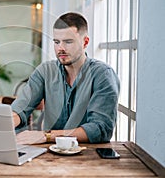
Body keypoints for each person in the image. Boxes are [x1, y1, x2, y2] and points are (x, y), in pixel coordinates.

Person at [11, 12, 120, 144]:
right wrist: (6, 122)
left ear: (85, 42)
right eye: (56, 42)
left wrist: (47, 136)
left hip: (89, 155)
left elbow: (100, 129)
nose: (60, 48)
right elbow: (20, 108)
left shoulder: (103, 75)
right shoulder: (45, 71)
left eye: (68, 42)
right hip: (50, 156)